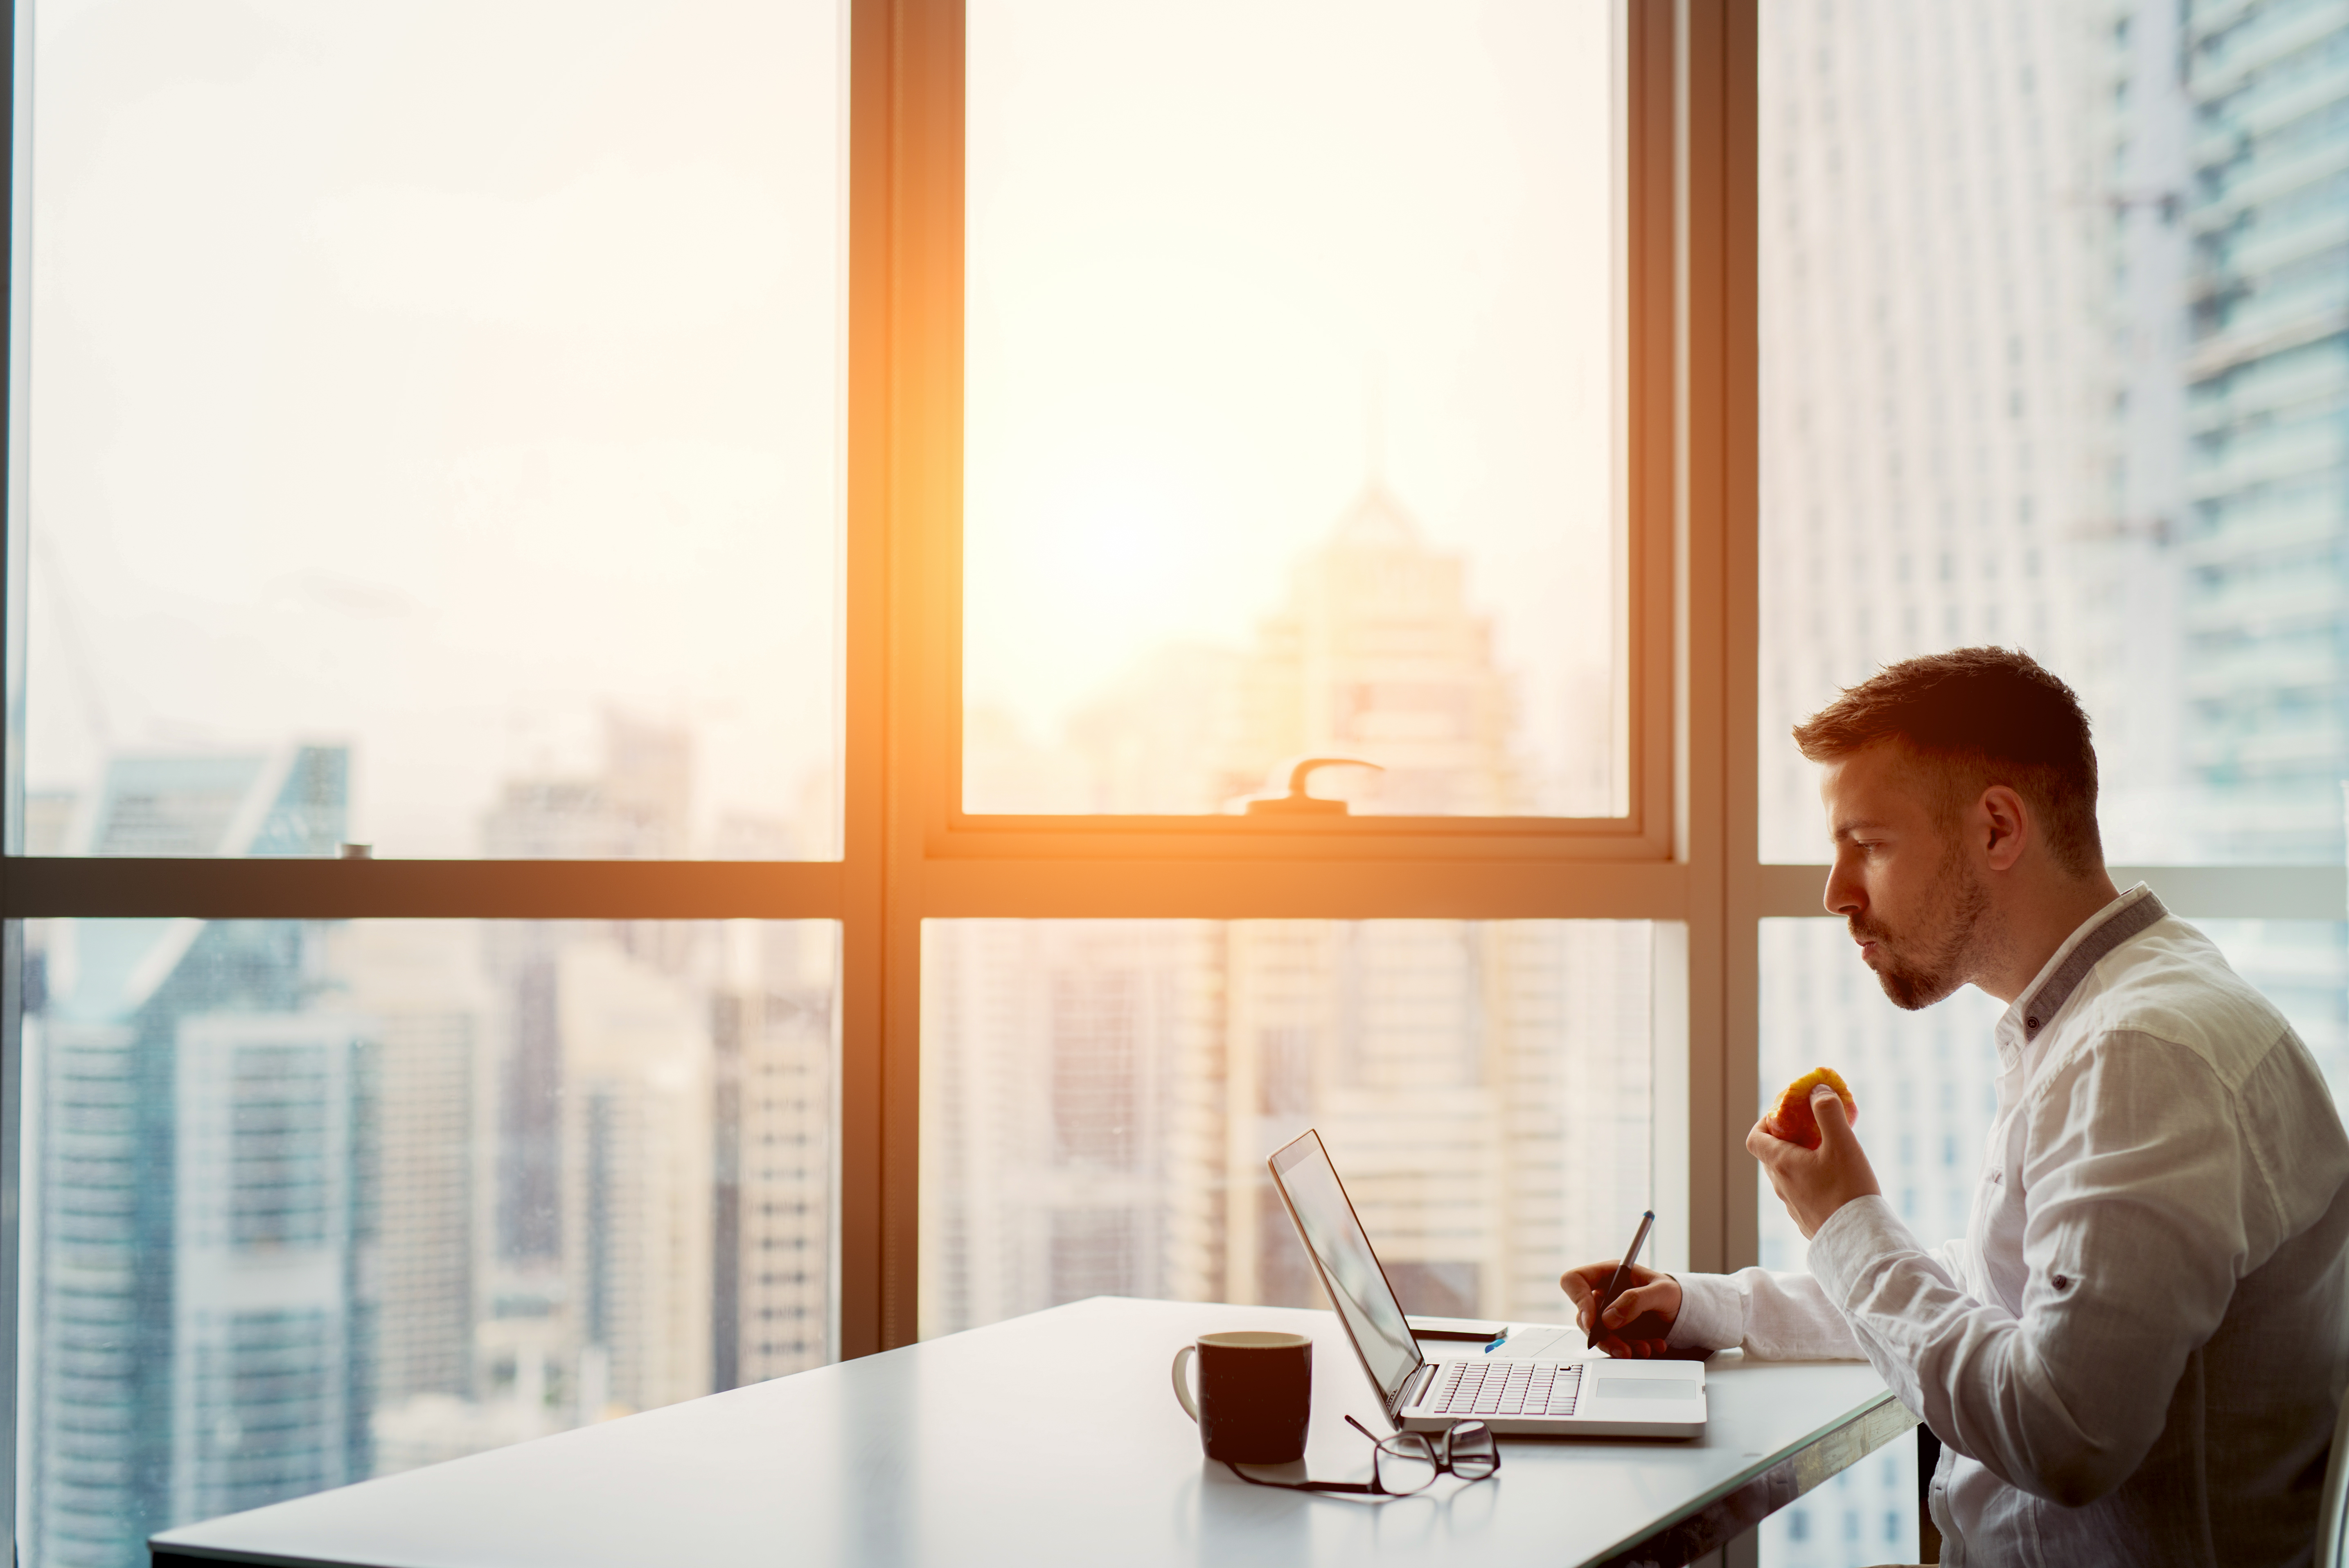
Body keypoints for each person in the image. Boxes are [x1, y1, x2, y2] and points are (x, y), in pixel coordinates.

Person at [1561, 647, 2349, 1566]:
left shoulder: (2138, 1053)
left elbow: (2063, 1431)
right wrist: (1710, 1308)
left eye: (1868, 844)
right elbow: (1989, 1293)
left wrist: (1843, 1218)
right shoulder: (2110, 1016)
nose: (1834, 893)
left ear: (1997, 828)